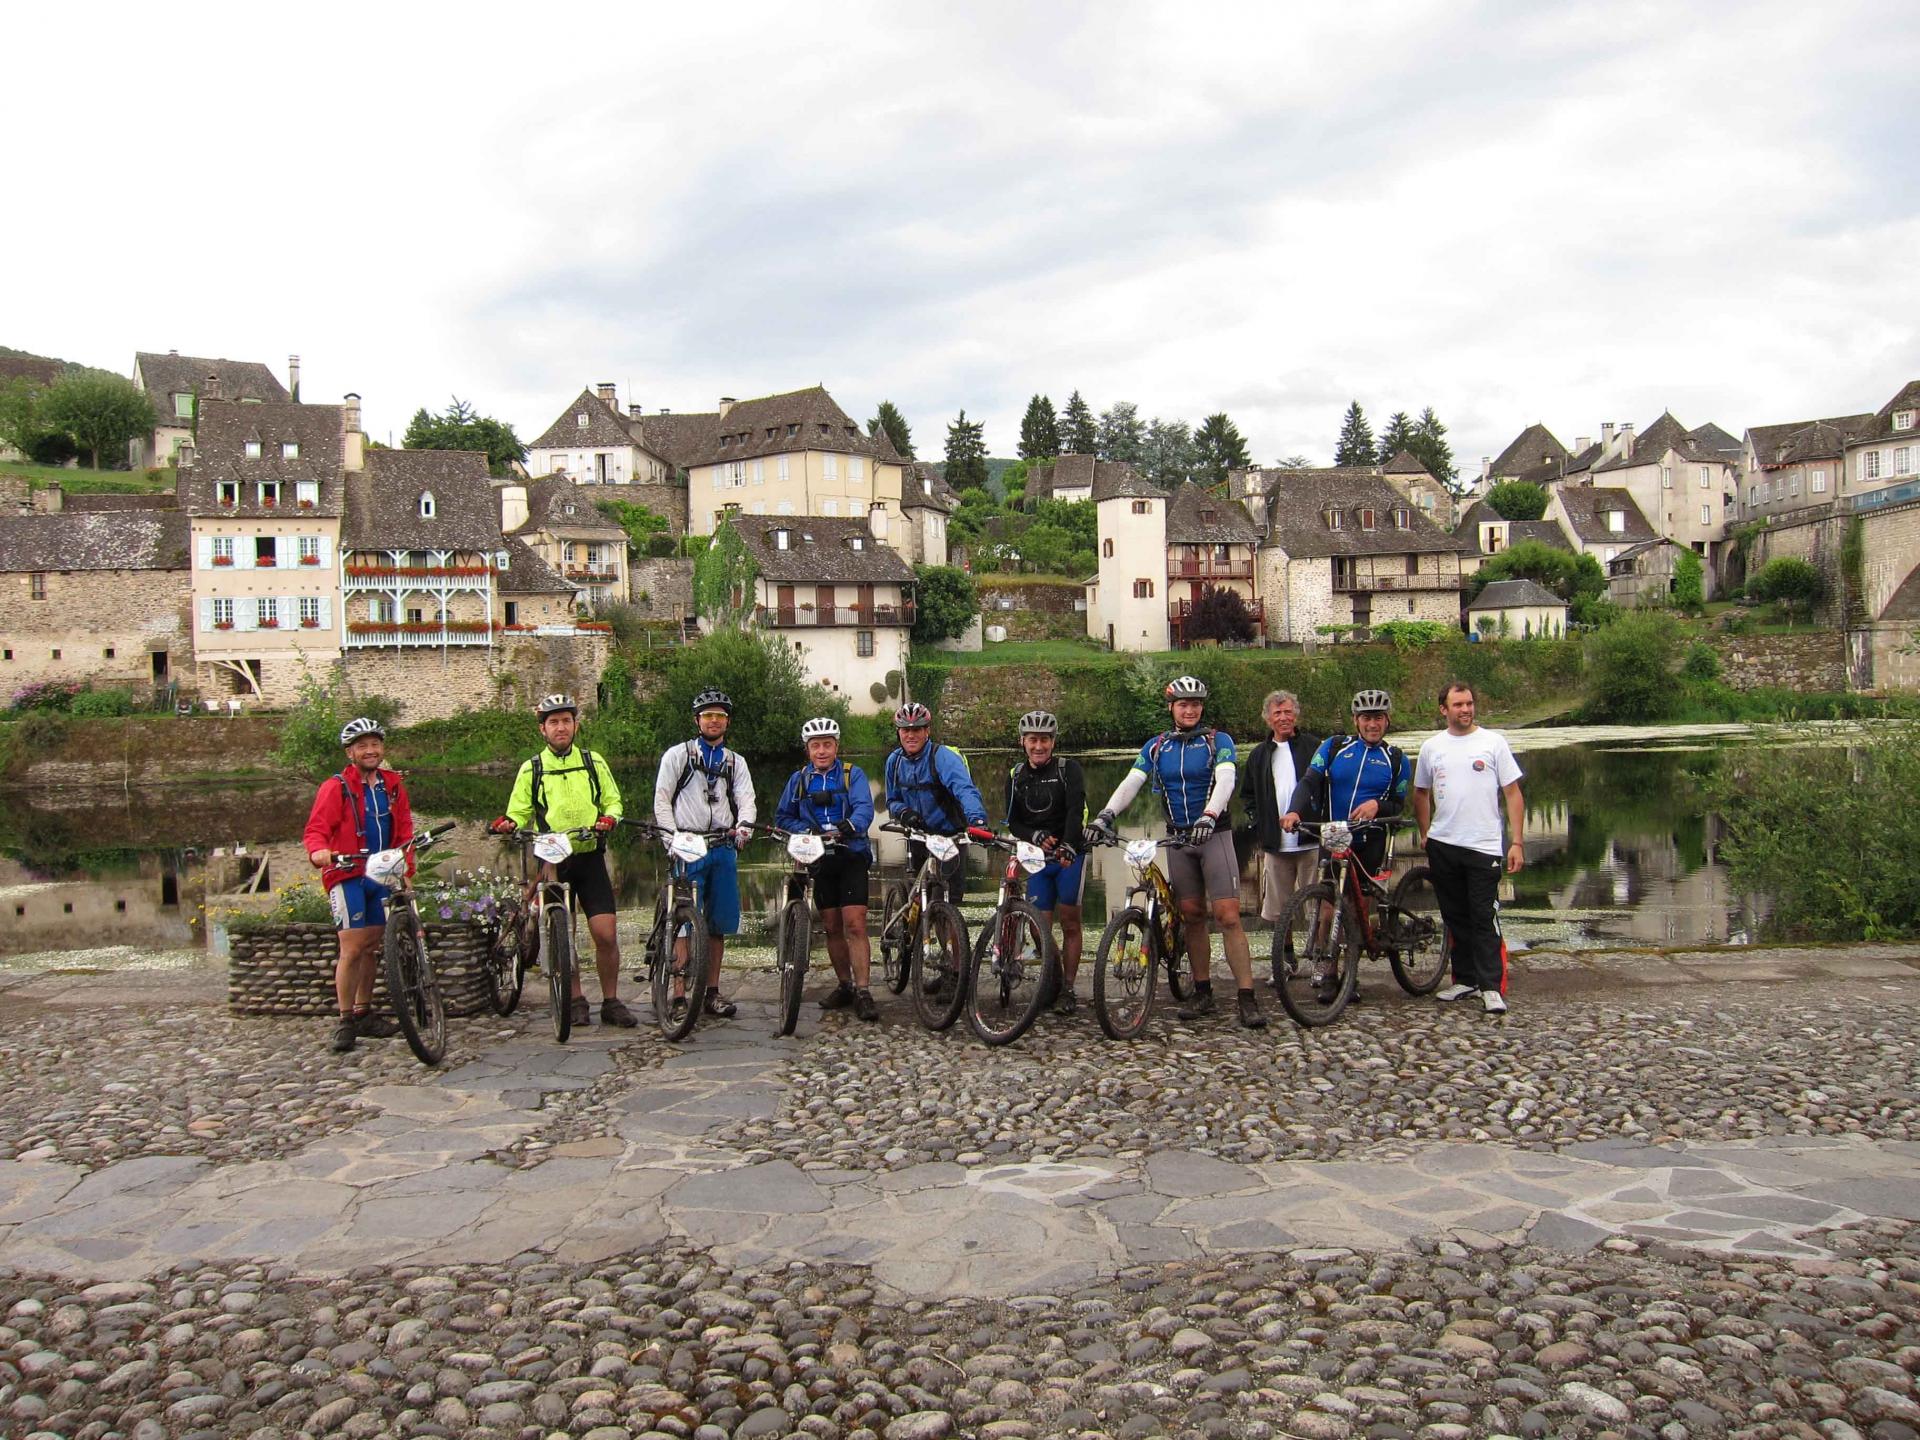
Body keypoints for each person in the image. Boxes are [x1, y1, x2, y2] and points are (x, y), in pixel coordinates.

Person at [1086, 676, 1265, 1029]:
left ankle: (1247, 997)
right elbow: (1132, 782)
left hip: (1215, 835)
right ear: (1171, 708)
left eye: (1196, 704)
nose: (1190, 710)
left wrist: (1210, 815)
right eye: (1183, 704)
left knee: (1228, 916)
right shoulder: (1158, 746)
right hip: (1178, 840)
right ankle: (1203, 991)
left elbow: (1226, 779)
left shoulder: (1218, 741)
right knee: (1192, 914)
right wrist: (1106, 814)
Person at [489, 694, 636, 1028]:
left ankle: (611, 1001)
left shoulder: (592, 761)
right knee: (562, 933)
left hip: (589, 856)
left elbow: (613, 801)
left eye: (566, 721)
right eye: (553, 722)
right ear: (543, 729)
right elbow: (519, 810)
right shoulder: (533, 768)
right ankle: (575, 998)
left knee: (606, 933)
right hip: (554, 861)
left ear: (576, 725)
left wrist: (609, 819)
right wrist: (510, 823)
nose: (561, 727)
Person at [1281, 689, 1412, 1001]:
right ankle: (1331, 972)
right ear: (1356, 720)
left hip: (1371, 840)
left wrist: (1377, 806)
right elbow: (1309, 781)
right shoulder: (1334, 746)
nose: (1372, 724)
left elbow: (1398, 804)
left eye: (1378, 718)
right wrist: (1295, 810)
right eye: (1366, 718)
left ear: (1387, 720)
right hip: (1335, 834)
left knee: (1356, 907)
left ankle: (1350, 974)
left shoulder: (1396, 759)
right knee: (1329, 906)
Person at [1413, 680, 1525, 1015]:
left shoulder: (1493, 742)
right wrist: (1425, 832)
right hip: (1444, 843)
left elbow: (1513, 793)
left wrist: (1516, 841)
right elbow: (1420, 793)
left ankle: (1491, 986)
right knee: (1455, 915)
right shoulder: (1432, 747)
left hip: (1483, 844)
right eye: (1458, 705)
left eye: (1469, 703)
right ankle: (1465, 979)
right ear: (1443, 710)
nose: (1465, 710)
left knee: (1483, 915)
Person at [304, 717, 414, 1053]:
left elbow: (405, 830)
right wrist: (320, 851)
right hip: (348, 874)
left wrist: (407, 865)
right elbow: (316, 829)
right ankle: (346, 1019)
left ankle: (365, 1011)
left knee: (372, 947)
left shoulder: (392, 785)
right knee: (351, 948)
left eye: (375, 744)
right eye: (362, 746)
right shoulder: (336, 787)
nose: (370, 751)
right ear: (351, 752)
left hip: (381, 874)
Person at [651, 689, 757, 1019]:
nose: (714, 721)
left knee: (718, 923)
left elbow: (747, 799)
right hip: (687, 843)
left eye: (720, 716)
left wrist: (744, 828)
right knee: (683, 921)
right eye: (708, 715)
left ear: (727, 722)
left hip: (721, 846)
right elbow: (661, 800)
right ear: (697, 720)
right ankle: (680, 994)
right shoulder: (677, 756)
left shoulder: (734, 761)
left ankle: (712, 992)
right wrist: (672, 838)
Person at [774, 716, 880, 1021]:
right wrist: (806, 829)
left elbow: (864, 808)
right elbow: (783, 816)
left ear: (836, 746)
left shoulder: (852, 774)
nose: (822, 751)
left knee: (855, 924)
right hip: (819, 858)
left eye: (827, 745)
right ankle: (844, 985)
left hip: (851, 853)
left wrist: (849, 825)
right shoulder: (799, 780)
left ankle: (863, 990)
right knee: (832, 925)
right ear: (807, 749)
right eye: (816, 746)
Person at [1004, 709, 1087, 1014]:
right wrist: (1034, 835)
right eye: (1032, 740)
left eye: (1044, 740)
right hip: (1038, 858)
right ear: (1022, 742)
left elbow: (1076, 812)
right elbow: (1012, 822)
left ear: (1053, 742)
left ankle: (1067, 988)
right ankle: (1052, 977)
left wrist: (1067, 843)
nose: (1038, 746)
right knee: (1039, 926)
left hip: (1069, 855)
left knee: (1070, 922)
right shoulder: (1016, 776)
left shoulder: (1069, 769)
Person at [1240, 690, 1321, 958]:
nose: (1283, 718)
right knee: (1279, 910)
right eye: (1277, 713)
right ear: (1267, 719)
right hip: (1276, 844)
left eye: (1288, 712)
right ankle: (1285, 959)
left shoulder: (1314, 747)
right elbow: (1248, 796)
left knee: (1319, 907)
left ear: (1296, 715)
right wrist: (1260, 825)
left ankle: (1321, 957)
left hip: (1311, 839)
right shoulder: (1259, 755)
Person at [883, 701, 987, 904]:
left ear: (927, 730)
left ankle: (948, 932)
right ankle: (909, 933)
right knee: (918, 898)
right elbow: (892, 800)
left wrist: (977, 820)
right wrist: (903, 812)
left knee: (948, 902)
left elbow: (965, 790)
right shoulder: (894, 761)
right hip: (919, 836)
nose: (911, 735)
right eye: (906, 730)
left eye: (917, 729)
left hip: (949, 838)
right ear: (899, 732)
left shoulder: (942, 757)